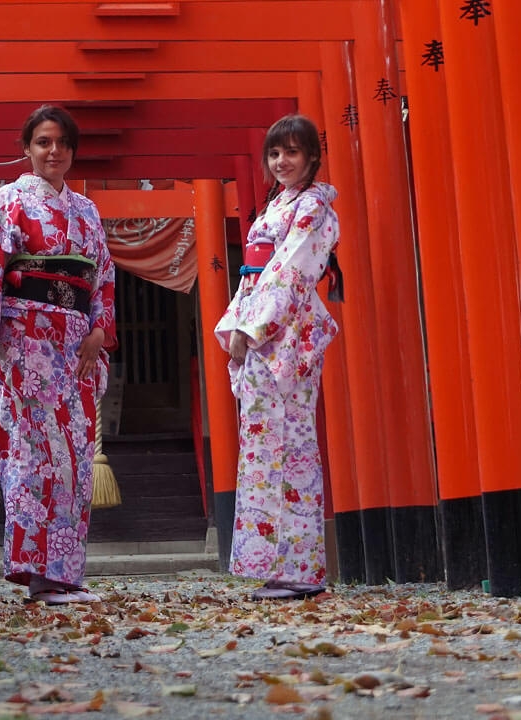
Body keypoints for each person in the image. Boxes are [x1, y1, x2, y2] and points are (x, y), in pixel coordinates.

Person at [0, 105, 116, 605]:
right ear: (26, 149)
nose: (52, 151)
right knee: (33, 455)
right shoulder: (6, 202)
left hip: (75, 344)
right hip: (25, 345)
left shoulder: (87, 211)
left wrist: (100, 329)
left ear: (72, 151)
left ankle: (64, 573)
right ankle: (38, 574)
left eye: (61, 142)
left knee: (75, 457)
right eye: (42, 142)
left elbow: (102, 273)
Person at [214, 114, 340, 601]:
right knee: (265, 451)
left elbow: (290, 271)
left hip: (287, 338)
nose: (281, 161)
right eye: (274, 153)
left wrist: (252, 326)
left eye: (291, 152)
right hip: (262, 331)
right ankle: (279, 566)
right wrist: (239, 325)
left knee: (291, 450)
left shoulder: (312, 208)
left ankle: (300, 570)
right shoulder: (278, 206)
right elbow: (255, 272)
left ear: (311, 156)